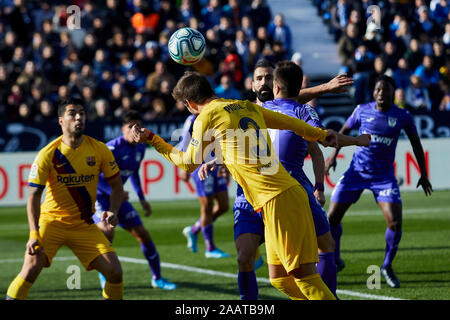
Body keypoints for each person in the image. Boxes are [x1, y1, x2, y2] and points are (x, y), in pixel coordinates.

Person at [131, 70, 366, 300]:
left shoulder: (206, 116)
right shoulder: (244, 106)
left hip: (279, 198)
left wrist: (153, 139)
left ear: (190, 103)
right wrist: (320, 134)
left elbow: (187, 163)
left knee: (305, 277)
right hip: (277, 198)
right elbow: (287, 122)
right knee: (280, 280)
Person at [199, 60, 364, 300]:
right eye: (259, 78)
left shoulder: (292, 110)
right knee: (248, 258)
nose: (264, 82)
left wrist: (319, 185)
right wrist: (219, 159)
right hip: (250, 196)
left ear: (275, 85)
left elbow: (301, 113)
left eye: (269, 78)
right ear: (252, 83)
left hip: (289, 191)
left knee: (316, 252)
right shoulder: (244, 110)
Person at [6, 98, 125, 300]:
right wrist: (34, 233)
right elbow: (33, 197)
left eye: (82, 112)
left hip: (84, 225)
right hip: (52, 223)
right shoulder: (48, 154)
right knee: (30, 268)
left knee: (115, 273)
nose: (79, 117)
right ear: (61, 121)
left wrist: (113, 210)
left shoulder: (99, 149)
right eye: (72, 113)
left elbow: (117, 186)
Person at [325, 75, 433, 288]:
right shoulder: (361, 110)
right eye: (378, 90)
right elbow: (343, 133)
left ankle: (386, 266)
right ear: (373, 93)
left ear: (394, 93)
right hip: (356, 172)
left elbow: (416, 144)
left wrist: (423, 173)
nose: (381, 93)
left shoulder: (402, 116)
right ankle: (336, 259)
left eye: (386, 90)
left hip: (383, 177)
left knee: (395, 222)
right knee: (331, 219)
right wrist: (332, 157)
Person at [93, 110, 177, 290]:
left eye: (138, 126)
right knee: (107, 232)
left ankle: (157, 278)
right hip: (100, 197)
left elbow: (134, 173)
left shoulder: (140, 148)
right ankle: (105, 276)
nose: (135, 129)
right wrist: (115, 190)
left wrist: (142, 198)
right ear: (122, 129)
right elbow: (96, 178)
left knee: (143, 236)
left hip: (119, 198)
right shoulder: (111, 149)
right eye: (131, 126)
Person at [179, 113, 230, 258]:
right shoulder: (192, 119)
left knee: (223, 205)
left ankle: (194, 230)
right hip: (200, 165)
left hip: (216, 162)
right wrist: (184, 167)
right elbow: (184, 141)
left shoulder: (216, 114)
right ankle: (210, 248)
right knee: (207, 206)